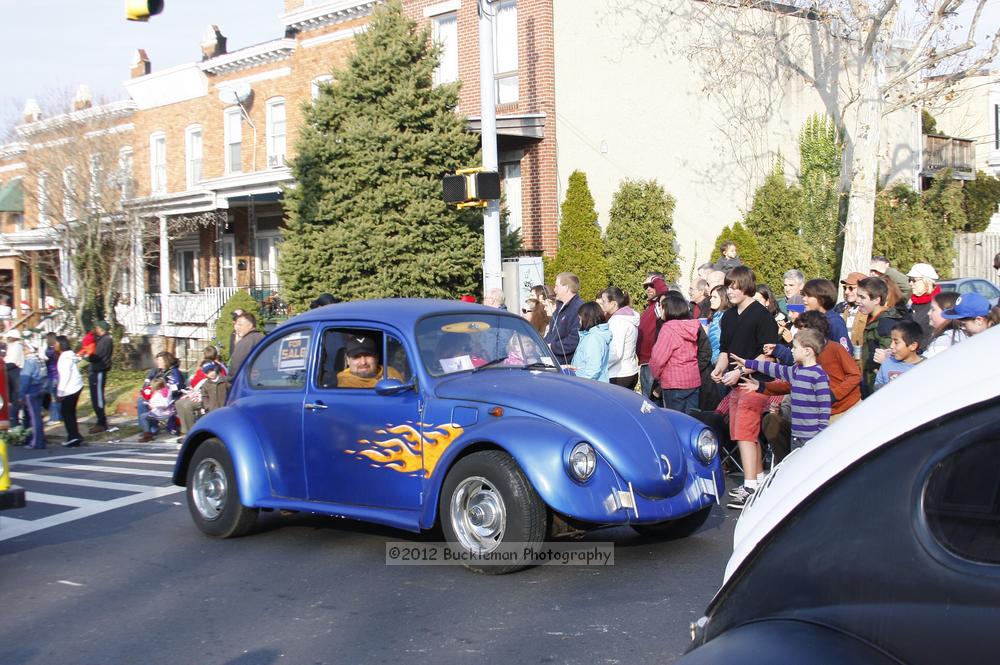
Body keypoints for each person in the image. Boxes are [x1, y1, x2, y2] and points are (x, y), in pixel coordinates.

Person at [711, 266, 779, 509]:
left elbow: (768, 356)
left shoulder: (762, 316)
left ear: (746, 285)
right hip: (736, 382)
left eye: (734, 286)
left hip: (757, 382)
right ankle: (758, 479)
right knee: (745, 432)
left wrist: (739, 371)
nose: (730, 291)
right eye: (728, 286)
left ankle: (750, 485)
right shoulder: (728, 317)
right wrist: (720, 369)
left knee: (744, 431)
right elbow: (725, 350)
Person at [735, 327, 831, 451]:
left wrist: (822, 433)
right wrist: (748, 363)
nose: (792, 350)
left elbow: (824, 406)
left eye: (795, 348)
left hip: (813, 437)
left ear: (807, 351)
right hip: (796, 436)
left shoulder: (819, 375)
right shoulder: (795, 371)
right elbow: (773, 368)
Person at [650, 293, 702, 414]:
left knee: (675, 420)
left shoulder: (668, 328)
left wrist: (656, 375)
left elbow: (658, 358)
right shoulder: (692, 326)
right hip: (693, 380)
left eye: (662, 308)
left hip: (674, 382)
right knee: (691, 420)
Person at [857, 276, 905, 397]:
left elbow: (891, 359)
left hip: (880, 387)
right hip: (870, 382)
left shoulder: (885, 323)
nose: (858, 301)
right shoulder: (873, 319)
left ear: (877, 300)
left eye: (862, 297)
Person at [136, 351, 186, 443]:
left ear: (166, 361)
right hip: (154, 396)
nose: (157, 362)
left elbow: (178, 387)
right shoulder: (156, 371)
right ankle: (147, 430)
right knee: (141, 400)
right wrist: (148, 389)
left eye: (160, 360)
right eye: (157, 360)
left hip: (167, 399)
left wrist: (162, 389)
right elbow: (147, 383)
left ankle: (152, 430)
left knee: (148, 402)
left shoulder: (174, 372)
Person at [176, 347, 228, 434]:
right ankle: (185, 431)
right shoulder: (204, 367)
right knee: (179, 403)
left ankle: (192, 432)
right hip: (198, 392)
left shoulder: (217, 367)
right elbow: (194, 383)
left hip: (209, 398)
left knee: (187, 406)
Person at [598, 286, 640, 390]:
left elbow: (615, 353)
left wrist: (599, 366)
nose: (602, 304)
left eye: (604, 301)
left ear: (613, 304)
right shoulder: (628, 318)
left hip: (618, 374)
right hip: (629, 371)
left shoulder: (618, 322)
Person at [636, 274, 669, 399]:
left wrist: (654, 278)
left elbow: (664, 291)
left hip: (652, 361)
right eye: (646, 287)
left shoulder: (659, 305)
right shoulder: (649, 307)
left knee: (650, 402)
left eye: (652, 286)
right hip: (644, 362)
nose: (648, 289)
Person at [802, 278, 853, 355]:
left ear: (821, 298)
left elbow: (845, 352)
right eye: (804, 295)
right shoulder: (813, 320)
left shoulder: (834, 322)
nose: (804, 299)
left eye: (808, 296)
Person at [544, 272, 584, 366]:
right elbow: (551, 334)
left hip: (565, 366)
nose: (554, 290)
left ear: (566, 288)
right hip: (552, 362)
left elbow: (575, 338)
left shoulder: (578, 308)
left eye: (557, 286)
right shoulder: (559, 307)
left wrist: (552, 347)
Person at [874, 321, 925, 390]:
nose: (891, 346)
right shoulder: (887, 363)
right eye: (891, 341)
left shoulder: (926, 367)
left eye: (896, 342)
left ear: (913, 346)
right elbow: (877, 385)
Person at [337, 334, 401, 388]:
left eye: (368, 355)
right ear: (348, 360)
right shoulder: (345, 384)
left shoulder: (390, 372)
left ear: (377, 357)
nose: (363, 362)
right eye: (356, 357)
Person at [569, 302, 612, 382]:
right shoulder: (593, 336)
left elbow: (593, 369)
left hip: (589, 385)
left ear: (586, 318)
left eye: (580, 319)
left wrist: (581, 383)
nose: (579, 322)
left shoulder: (593, 338)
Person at [55, 335, 84, 447]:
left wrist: (60, 392)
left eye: (56, 343)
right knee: (70, 412)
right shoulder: (69, 355)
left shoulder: (64, 358)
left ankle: (73, 436)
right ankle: (75, 435)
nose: (54, 346)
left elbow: (65, 376)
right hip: (76, 386)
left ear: (61, 344)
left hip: (70, 389)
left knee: (66, 413)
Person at [836, 271, 868, 366]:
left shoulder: (868, 310)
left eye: (851, 288)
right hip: (843, 360)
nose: (846, 292)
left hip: (861, 363)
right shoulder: (840, 308)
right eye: (845, 288)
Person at [922, 292, 967, 359]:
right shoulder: (963, 333)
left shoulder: (945, 341)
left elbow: (923, 366)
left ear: (948, 312)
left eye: (933, 309)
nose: (929, 313)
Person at [906, 263, 940, 347]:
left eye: (914, 280)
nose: (910, 283)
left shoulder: (937, 305)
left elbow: (932, 337)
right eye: (909, 280)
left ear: (926, 282)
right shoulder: (910, 303)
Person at [88, 320, 113, 434]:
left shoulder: (105, 340)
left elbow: (98, 355)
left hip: (99, 370)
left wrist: (88, 356)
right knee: (95, 397)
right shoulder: (102, 340)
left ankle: (101, 422)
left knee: (98, 398)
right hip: (95, 370)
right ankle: (100, 421)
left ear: (101, 329)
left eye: (97, 328)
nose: (96, 330)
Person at [19, 352, 48, 449]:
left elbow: (25, 379)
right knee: (38, 417)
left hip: (31, 390)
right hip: (40, 388)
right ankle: (41, 439)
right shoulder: (38, 360)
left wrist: (21, 394)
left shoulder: (29, 361)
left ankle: (36, 442)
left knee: (34, 418)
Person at [229, 312, 265, 379]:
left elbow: (235, 368)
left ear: (250, 325)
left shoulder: (245, 342)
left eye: (240, 325)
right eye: (236, 324)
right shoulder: (262, 337)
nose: (237, 328)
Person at [4, 328, 26, 427]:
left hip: (15, 372)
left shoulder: (17, 346)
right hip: (10, 372)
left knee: (15, 399)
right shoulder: (11, 346)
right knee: (11, 400)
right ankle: (14, 421)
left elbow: (12, 362)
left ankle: (16, 423)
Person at [706, 285, 731, 365]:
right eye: (711, 297)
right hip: (713, 361)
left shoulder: (725, 317)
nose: (711, 300)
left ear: (723, 298)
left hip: (721, 363)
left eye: (715, 297)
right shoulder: (714, 317)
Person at [43, 332, 61, 423]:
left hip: (52, 376)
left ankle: (55, 418)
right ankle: (60, 416)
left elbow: (47, 356)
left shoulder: (50, 351)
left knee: (53, 398)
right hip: (58, 376)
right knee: (58, 397)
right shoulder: (58, 350)